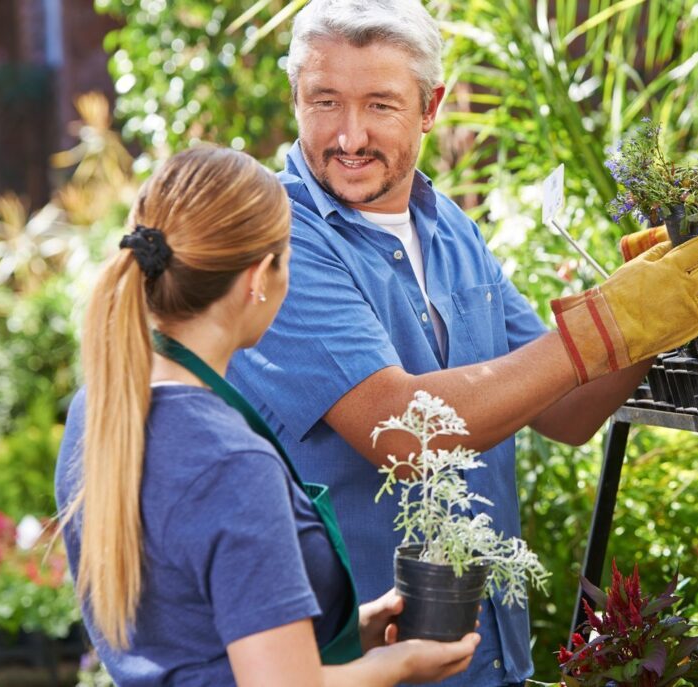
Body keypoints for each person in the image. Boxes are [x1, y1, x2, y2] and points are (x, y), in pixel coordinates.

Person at [227, 1, 698, 685]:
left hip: (490, 661)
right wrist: (607, 320)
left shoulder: (449, 228)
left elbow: (567, 412)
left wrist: (657, 308)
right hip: (364, 665)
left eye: (380, 105)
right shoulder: (280, 244)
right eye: (324, 101)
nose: (349, 135)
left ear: (430, 105)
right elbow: (404, 432)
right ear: (296, 97)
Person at [54, 146, 480, 686]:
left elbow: (191, 626)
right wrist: (396, 665)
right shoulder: (230, 462)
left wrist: (352, 630)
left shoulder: (99, 408)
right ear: (259, 275)